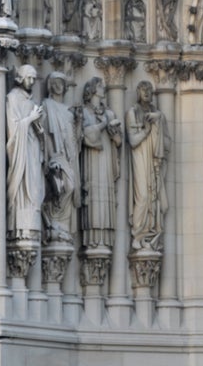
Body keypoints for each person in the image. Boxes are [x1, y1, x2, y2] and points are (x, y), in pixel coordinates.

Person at [125, 79, 170, 250]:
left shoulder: (157, 114)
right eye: (143, 89)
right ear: (137, 92)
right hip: (140, 159)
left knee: (155, 197)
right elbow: (133, 140)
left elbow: (168, 144)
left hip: (153, 161)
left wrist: (159, 122)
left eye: (150, 90)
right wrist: (146, 129)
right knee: (143, 196)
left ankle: (152, 234)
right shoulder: (132, 112)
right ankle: (139, 233)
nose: (147, 93)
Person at [80, 76, 122, 250]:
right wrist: (102, 126)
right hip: (91, 160)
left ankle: (105, 237)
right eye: (99, 86)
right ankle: (93, 239)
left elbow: (118, 142)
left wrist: (114, 134)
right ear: (92, 90)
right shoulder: (83, 112)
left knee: (105, 197)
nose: (103, 88)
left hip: (105, 159)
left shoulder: (110, 113)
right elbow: (82, 137)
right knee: (93, 197)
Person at [40, 71, 81, 244]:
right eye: (55, 82)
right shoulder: (47, 105)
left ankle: (61, 225)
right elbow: (44, 134)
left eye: (61, 82)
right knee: (63, 187)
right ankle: (53, 220)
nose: (58, 85)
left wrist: (78, 121)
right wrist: (47, 157)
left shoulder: (68, 112)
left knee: (71, 188)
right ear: (50, 85)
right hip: (55, 155)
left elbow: (76, 139)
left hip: (69, 156)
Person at [6, 64, 45, 240]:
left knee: (36, 188)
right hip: (21, 153)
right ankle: (20, 230)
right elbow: (13, 130)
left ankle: (32, 227)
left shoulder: (31, 102)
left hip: (32, 149)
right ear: (20, 78)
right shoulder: (12, 98)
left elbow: (34, 129)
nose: (32, 82)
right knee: (24, 186)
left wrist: (38, 126)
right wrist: (30, 119)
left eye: (34, 78)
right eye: (29, 78)